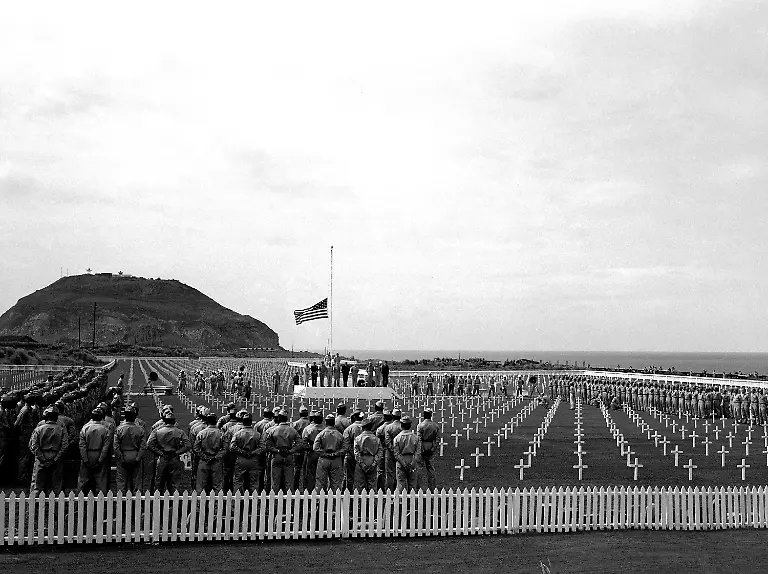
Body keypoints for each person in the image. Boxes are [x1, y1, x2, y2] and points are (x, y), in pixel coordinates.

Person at [147, 411, 191, 493]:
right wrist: (178, 452)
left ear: (165, 421)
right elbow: (188, 445)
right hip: (174, 457)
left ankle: (158, 502)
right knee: (175, 482)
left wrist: (159, 452)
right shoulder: (179, 432)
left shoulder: (158, 431)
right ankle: (174, 503)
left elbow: (149, 444)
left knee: (159, 482)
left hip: (163, 457)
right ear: (174, 421)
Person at [29, 406, 69, 493]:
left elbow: (34, 446)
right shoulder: (61, 429)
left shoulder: (38, 429)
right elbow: (65, 445)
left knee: (37, 484)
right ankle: (58, 504)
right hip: (56, 455)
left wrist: (42, 458)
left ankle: (34, 503)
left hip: (41, 456)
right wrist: (55, 458)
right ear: (57, 417)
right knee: (57, 484)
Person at [264, 409, 302, 492]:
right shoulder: (292, 430)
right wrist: (291, 451)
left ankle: (274, 502)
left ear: (279, 418)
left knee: (275, 482)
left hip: (276, 456)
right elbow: (300, 444)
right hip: (288, 455)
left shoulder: (272, 430)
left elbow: (267, 445)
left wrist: (277, 450)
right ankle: (288, 503)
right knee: (289, 482)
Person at [78, 408, 112, 493]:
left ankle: (79, 502)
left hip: (87, 453)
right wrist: (100, 460)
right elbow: (105, 447)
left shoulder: (85, 428)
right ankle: (101, 502)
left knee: (83, 480)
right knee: (101, 480)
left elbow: (82, 446)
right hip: (99, 453)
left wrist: (85, 459)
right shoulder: (105, 429)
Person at [113, 405, 146, 493]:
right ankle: (137, 504)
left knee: (121, 481)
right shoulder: (140, 429)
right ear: (135, 416)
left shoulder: (119, 429)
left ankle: (121, 503)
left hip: (123, 454)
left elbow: (116, 446)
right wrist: (138, 458)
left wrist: (120, 457)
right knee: (136, 482)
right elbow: (143, 446)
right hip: (135, 454)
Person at [230, 413, 262, 492]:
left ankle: (238, 502)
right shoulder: (257, 434)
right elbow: (262, 447)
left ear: (243, 422)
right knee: (254, 482)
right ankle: (253, 502)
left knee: (238, 482)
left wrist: (242, 452)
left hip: (241, 459)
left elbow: (232, 447)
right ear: (251, 422)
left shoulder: (237, 434)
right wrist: (253, 452)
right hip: (253, 460)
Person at [312, 413, 344, 492]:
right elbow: (344, 448)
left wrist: (324, 454)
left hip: (324, 460)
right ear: (334, 423)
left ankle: (319, 503)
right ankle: (335, 503)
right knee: (336, 484)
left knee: (320, 483)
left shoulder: (321, 434)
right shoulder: (339, 435)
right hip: (336, 460)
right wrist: (335, 454)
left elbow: (315, 448)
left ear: (325, 422)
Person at [194, 412, 225, 493]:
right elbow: (225, 449)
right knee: (217, 485)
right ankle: (218, 504)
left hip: (204, 461)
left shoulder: (201, 433)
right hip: (216, 461)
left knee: (201, 485)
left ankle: (200, 504)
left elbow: (196, 448)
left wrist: (204, 456)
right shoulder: (221, 433)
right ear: (216, 421)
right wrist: (216, 457)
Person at [15, 393, 41, 484]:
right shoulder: (25, 410)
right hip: (25, 435)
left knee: (28, 456)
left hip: (28, 434)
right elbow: (17, 423)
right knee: (24, 456)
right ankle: (21, 477)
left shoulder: (29, 409)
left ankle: (25, 475)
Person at [354, 417, 381, 492]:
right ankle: (373, 503)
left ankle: (360, 503)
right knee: (372, 486)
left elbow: (356, 453)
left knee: (360, 486)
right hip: (372, 460)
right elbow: (380, 452)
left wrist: (362, 464)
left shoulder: (358, 439)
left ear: (363, 428)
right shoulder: (377, 439)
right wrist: (374, 463)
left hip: (361, 460)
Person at [393, 415, 420, 492]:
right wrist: (412, 462)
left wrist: (404, 464)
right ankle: (412, 502)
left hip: (401, 461)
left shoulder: (397, 438)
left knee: (401, 484)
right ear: (410, 426)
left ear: (401, 426)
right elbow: (418, 452)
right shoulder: (415, 437)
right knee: (412, 483)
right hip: (412, 459)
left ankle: (401, 502)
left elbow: (396, 453)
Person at [417, 408, 440, 490]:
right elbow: (437, 439)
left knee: (419, 468)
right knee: (431, 469)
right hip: (431, 446)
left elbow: (419, 439)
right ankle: (432, 488)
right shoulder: (435, 426)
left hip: (422, 447)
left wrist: (421, 449)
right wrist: (433, 448)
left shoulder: (420, 425)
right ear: (431, 415)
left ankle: (419, 487)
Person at [301, 411, 324, 492]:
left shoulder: (308, 429)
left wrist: (310, 447)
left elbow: (304, 444)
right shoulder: (325, 429)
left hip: (311, 454)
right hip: (323, 454)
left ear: (313, 419)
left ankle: (309, 493)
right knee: (322, 476)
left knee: (310, 475)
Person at [342, 411, 364, 490]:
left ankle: (348, 497)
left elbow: (346, 445)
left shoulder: (349, 429)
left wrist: (354, 455)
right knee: (362, 479)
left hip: (350, 457)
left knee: (348, 477)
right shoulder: (366, 428)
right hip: (363, 457)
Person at [291, 406, 311, 491]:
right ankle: (305, 488)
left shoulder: (295, 424)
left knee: (297, 469)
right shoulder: (310, 424)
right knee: (306, 470)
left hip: (298, 450)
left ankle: (295, 488)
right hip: (307, 449)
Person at [383, 409, 403, 491]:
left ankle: (389, 492)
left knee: (390, 474)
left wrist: (393, 451)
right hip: (401, 453)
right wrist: (398, 452)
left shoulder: (388, 427)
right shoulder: (402, 427)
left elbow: (387, 442)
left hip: (390, 453)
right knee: (400, 474)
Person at [375, 410, 392, 491]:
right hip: (390, 451)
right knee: (391, 472)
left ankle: (380, 489)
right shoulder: (394, 427)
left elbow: (377, 442)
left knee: (380, 471)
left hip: (381, 451)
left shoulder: (380, 429)